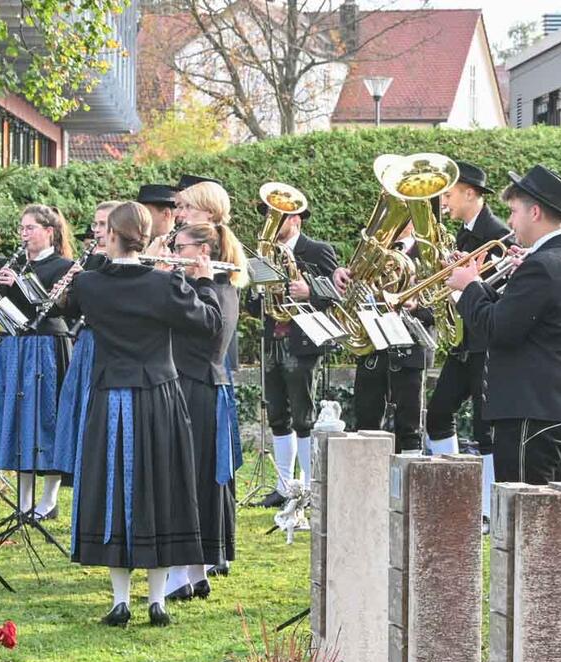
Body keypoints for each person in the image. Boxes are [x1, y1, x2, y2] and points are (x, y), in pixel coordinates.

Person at [65, 202, 224, 627]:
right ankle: (158, 602)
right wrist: (203, 280)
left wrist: (95, 261)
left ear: (111, 236)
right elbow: (210, 324)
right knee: (161, 489)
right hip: (159, 397)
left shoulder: (89, 285)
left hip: (110, 397)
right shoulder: (164, 283)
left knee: (115, 492)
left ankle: (120, 601)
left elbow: (65, 309)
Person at [447, 165, 561, 484]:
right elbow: (515, 315)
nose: (510, 222)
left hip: (532, 412)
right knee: (545, 522)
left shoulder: (544, 265)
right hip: (549, 408)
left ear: (536, 212)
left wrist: (470, 286)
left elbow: (498, 330)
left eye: (514, 212)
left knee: (523, 519)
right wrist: (479, 284)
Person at [0, 204, 75, 520]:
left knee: (46, 421)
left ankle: (48, 501)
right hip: (15, 348)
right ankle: (24, 503)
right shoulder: (16, 265)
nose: (24, 233)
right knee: (21, 424)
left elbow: (55, 307)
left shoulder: (65, 266)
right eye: (22, 228)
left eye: (30, 227)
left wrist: (17, 284)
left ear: (50, 231)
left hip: (47, 346)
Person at [426, 162, 512, 523]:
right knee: (437, 414)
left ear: (471, 194)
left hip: (485, 345)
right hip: (462, 343)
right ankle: (450, 496)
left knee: (484, 427)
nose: (444, 200)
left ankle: (488, 510)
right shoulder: (459, 235)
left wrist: (468, 281)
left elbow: (500, 295)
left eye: (449, 193)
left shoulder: (499, 235)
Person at [243, 198, 339, 506]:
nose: (271, 224)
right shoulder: (266, 254)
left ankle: (311, 488)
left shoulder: (317, 250)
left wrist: (310, 290)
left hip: (303, 343)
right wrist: (257, 288)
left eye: (278, 217)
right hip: (273, 340)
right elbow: (252, 306)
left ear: (296, 219)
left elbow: (337, 294)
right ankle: (285, 486)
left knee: (303, 416)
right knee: (277, 415)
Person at [164, 223, 241, 602]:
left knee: (189, 481)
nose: (174, 253)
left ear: (204, 252)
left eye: (180, 247)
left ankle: (183, 571)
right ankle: (195, 573)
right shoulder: (205, 288)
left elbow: (211, 333)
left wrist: (191, 282)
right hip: (193, 385)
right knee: (189, 479)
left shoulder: (218, 290)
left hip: (198, 389)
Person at [351, 222, 434, 456]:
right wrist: (343, 277)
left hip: (410, 349)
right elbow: (355, 287)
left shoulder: (428, 253)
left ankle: (409, 487)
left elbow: (441, 305)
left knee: (409, 428)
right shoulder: (373, 251)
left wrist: (416, 305)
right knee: (366, 422)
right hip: (373, 346)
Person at [53, 200, 118, 480]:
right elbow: (71, 310)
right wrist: (65, 292)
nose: (97, 230)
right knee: (78, 409)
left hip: (110, 346)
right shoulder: (90, 260)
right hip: (86, 342)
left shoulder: (121, 262)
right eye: (96, 224)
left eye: (103, 224)